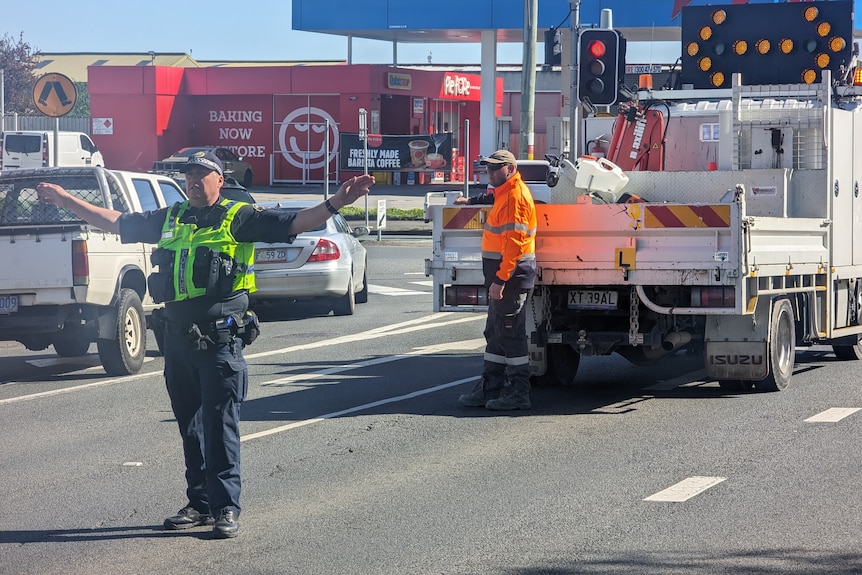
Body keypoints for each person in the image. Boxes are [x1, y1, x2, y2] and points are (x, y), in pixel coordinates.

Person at [35, 151, 374, 539]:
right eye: (189, 175)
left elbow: (296, 221)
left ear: (219, 179)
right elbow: (115, 221)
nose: (194, 181)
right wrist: (66, 200)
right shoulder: (172, 217)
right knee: (191, 429)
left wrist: (336, 203)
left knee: (220, 426)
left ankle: (226, 507)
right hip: (176, 343)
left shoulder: (239, 217)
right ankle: (198, 504)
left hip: (219, 343)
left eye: (202, 175)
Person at [455, 149, 537, 411]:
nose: (489, 172)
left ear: (510, 169)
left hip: (510, 279)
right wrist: (471, 201)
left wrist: (500, 280)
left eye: (495, 168)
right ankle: (490, 388)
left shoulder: (515, 197)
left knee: (511, 336)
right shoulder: (505, 193)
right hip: (504, 278)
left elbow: (514, 244)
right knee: (495, 333)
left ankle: (518, 393)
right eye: (487, 168)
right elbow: (492, 196)